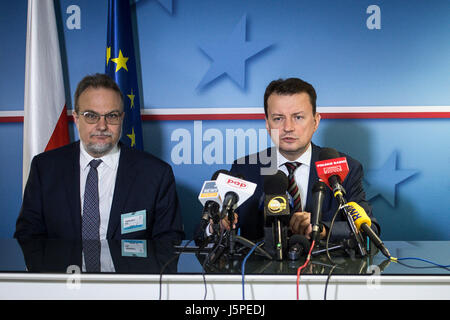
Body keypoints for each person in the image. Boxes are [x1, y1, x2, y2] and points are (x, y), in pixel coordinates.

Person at [15, 73, 184, 243]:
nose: (102, 126)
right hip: (61, 269)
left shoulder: (156, 174)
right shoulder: (44, 168)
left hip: (131, 269)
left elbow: (169, 242)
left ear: (122, 119)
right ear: (76, 118)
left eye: (111, 116)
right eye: (91, 116)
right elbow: (28, 236)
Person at [228, 77, 379, 242]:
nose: (288, 127)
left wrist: (322, 229)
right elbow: (204, 233)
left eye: (298, 117)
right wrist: (216, 226)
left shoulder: (346, 168)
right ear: (267, 124)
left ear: (315, 121)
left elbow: (370, 228)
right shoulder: (244, 169)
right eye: (278, 118)